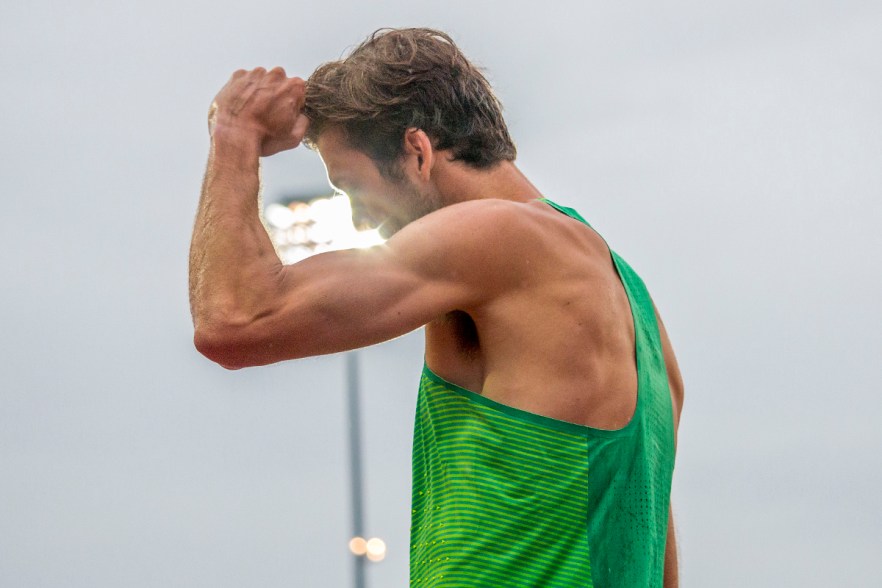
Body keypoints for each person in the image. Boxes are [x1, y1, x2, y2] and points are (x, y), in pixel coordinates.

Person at [189, 28, 684, 587]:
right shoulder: (639, 310)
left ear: (418, 152)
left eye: (353, 188)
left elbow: (234, 320)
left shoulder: (497, 234)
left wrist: (235, 134)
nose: (356, 222)